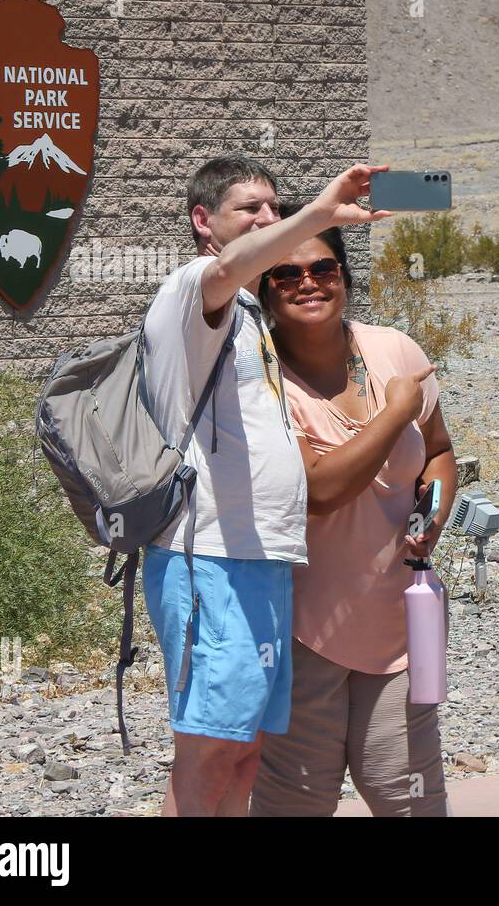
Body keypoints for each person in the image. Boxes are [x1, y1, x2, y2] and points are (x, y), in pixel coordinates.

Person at [141, 159, 390, 816]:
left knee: (243, 749)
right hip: (210, 559)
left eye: (274, 208)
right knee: (206, 750)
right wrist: (320, 215)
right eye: (249, 209)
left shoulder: (248, 310)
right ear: (203, 222)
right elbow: (227, 268)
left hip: (259, 561)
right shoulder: (195, 287)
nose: (266, 220)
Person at [248, 205, 457, 817]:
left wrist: (433, 517)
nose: (307, 282)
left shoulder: (393, 350)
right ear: (262, 286)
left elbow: (440, 452)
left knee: (410, 799)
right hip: (300, 630)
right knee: (295, 804)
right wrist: (394, 413)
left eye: (323, 267)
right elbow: (319, 491)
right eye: (284, 273)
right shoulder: (257, 378)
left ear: (343, 274)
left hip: (401, 621)